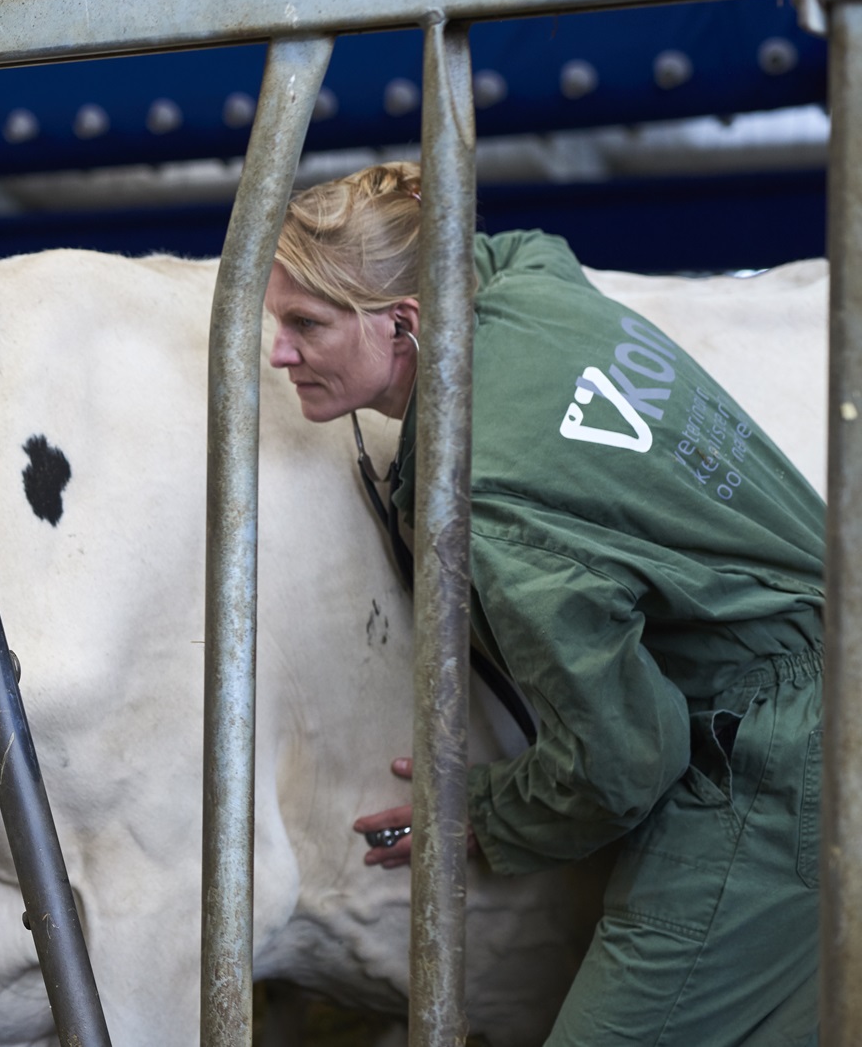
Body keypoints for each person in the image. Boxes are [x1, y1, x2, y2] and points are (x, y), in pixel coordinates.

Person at [263, 161, 824, 1046]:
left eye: (306, 324)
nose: (278, 352)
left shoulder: (483, 493)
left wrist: (483, 809)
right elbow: (511, 248)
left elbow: (630, 753)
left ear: (405, 324)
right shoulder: (526, 287)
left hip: (775, 763)